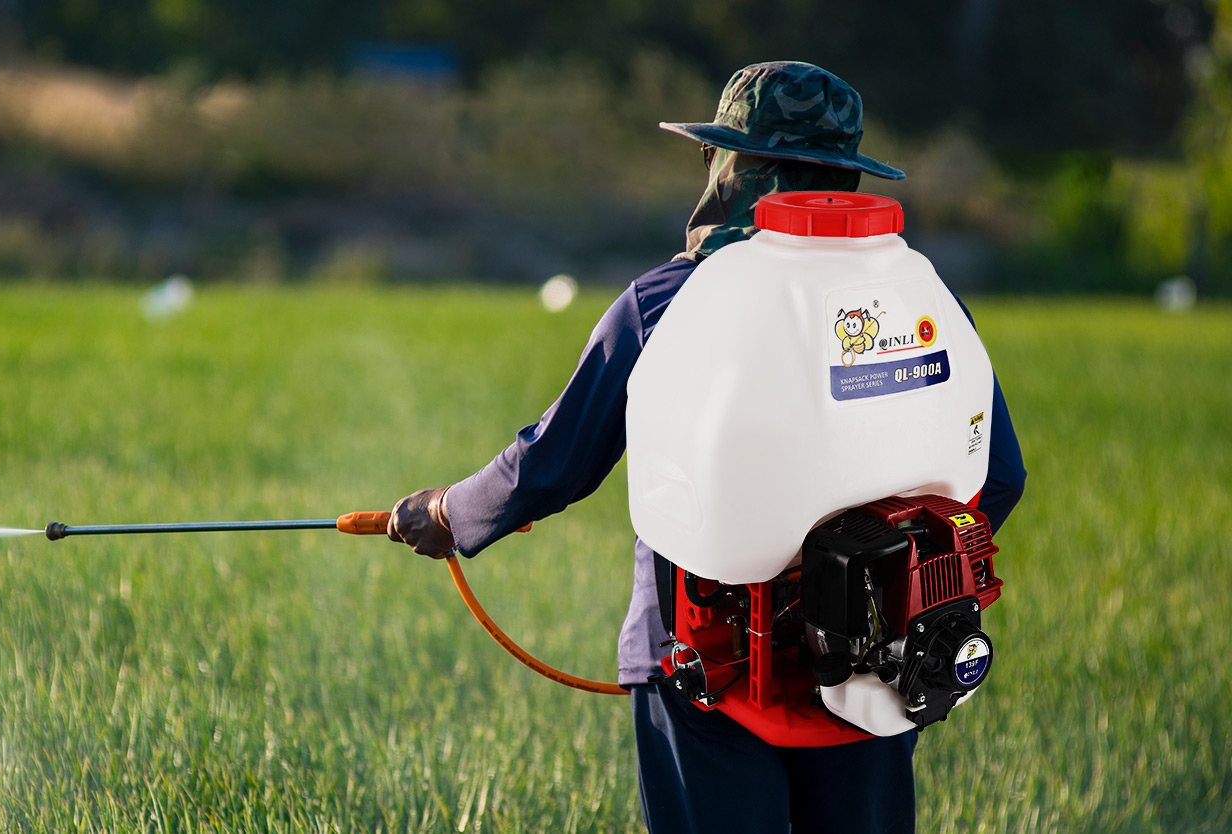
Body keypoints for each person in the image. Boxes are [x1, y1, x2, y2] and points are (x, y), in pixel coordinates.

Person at [384, 61, 1027, 834]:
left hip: (700, 665)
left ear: (732, 169)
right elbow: (1000, 476)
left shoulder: (670, 303)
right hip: (879, 662)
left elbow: (553, 465)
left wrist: (448, 513)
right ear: (844, 178)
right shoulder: (923, 303)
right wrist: (885, 580)